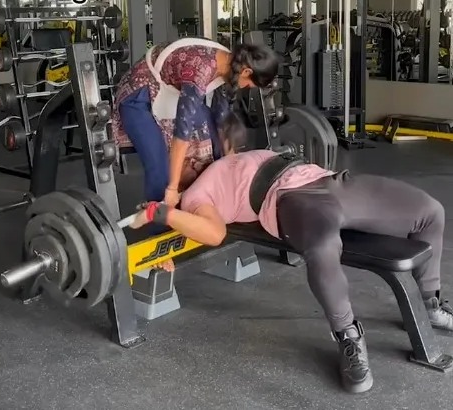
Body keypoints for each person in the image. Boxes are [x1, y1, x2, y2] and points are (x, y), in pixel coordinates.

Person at [129, 112, 453, 394]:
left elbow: (212, 111)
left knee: (430, 211)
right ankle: (348, 335)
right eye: (184, 158)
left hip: (329, 180)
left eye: (194, 149)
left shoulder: (224, 155)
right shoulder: (196, 196)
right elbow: (214, 234)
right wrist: (163, 214)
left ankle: (430, 303)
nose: (194, 155)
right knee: (324, 246)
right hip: (290, 200)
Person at [112, 38, 279, 212]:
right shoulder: (200, 70)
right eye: (249, 84)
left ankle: (205, 201)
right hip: (139, 96)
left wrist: (230, 162)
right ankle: (162, 224)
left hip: (169, 91)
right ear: (246, 71)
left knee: (212, 137)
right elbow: (182, 133)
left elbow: (222, 117)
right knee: (159, 165)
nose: (246, 87)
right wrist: (172, 188)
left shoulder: (232, 66)